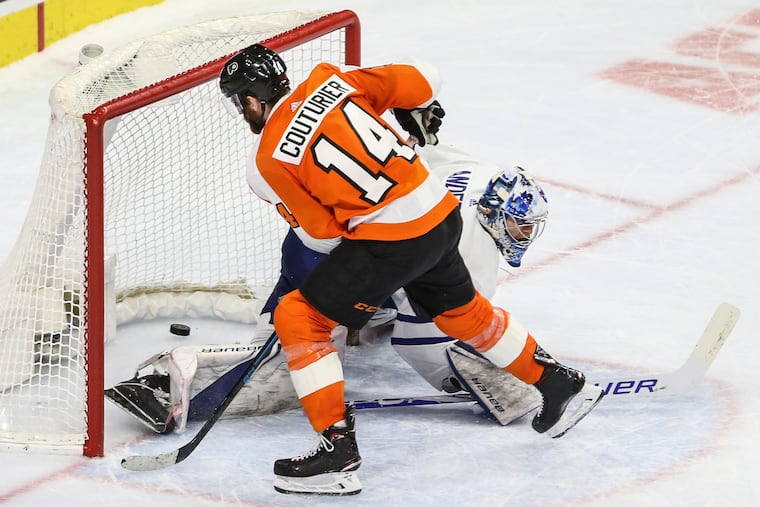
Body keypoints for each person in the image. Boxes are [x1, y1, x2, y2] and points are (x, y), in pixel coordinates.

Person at [216, 43, 604, 495]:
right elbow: (425, 77)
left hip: (393, 239)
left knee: (299, 317)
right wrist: (416, 111)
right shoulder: (331, 77)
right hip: (440, 211)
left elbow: (322, 235)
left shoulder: (265, 162)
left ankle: (336, 453)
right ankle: (560, 384)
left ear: (249, 100)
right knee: (462, 312)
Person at [105, 142, 546, 435]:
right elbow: (421, 344)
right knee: (284, 375)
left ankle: (357, 317)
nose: (523, 235)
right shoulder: (474, 245)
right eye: (518, 225)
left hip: (333, 238)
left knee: (395, 288)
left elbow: (416, 146)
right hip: (334, 259)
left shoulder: (480, 171)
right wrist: (477, 381)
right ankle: (170, 383)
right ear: (491, 212)